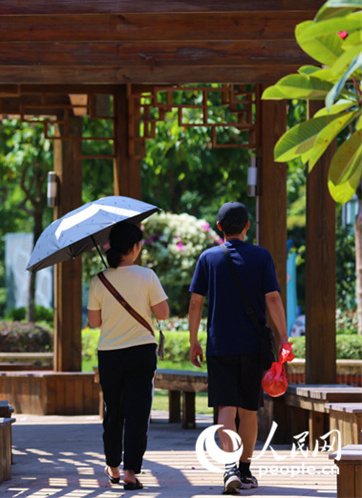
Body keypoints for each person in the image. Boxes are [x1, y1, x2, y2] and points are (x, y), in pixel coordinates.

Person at [188, 202, 289, 495]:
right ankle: (245, 470)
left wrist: (194, 340)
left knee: (225, 408)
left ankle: (229, 466)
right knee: (249, 409)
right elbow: (272, 299)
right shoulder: (261, 256)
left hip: (221, 346)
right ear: (247, 226)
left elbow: (196, 302)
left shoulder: (208, 258)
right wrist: (283, 337)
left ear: (219, 227)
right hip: (253, 346)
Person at [88, 222, 170, 491]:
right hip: (141, 352)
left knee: (114, 411)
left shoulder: (98, 280)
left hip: (110, 354)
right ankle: (131, 473)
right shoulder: (147, 276)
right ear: (133, 247)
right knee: (137, 413)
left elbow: (94, 322)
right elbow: (162, 313)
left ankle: (112, 467)